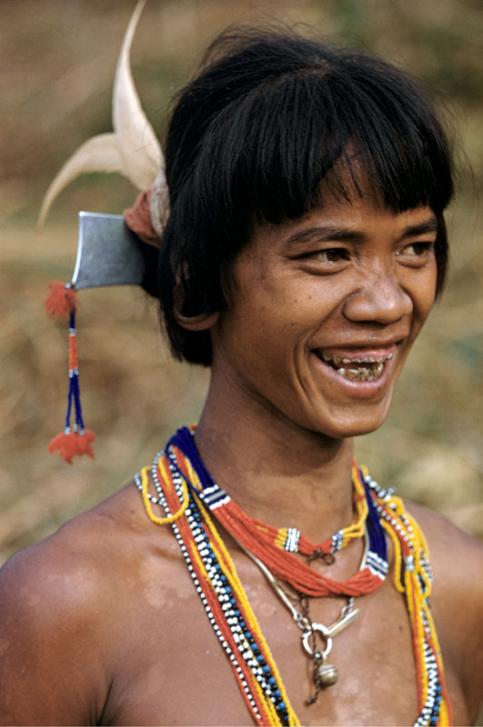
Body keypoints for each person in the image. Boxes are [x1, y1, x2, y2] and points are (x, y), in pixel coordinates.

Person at [1, 22, 482, 727]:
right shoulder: (67, 606)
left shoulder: (458, 587)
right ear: (197, 285)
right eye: (327, 255)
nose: (387, 301)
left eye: (414, 245)